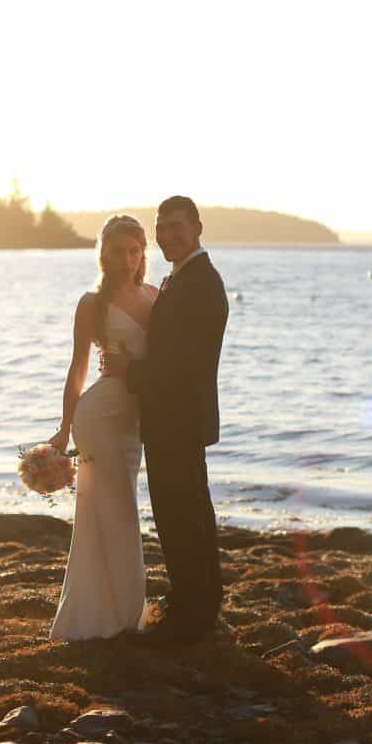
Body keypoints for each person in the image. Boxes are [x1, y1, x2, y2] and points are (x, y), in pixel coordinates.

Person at [104, 196, 228, 647]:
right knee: (180, 512)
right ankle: (195, 597)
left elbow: (184, 364)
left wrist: (128, 372)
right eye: (163, 227)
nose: (169, 235)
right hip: (169, 416)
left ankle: (197, 611)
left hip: (180, 417)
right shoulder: (182, 278)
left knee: (185, 512)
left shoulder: (202, 284)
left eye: (178, 227)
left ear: (197, 227)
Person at [47, 215, 157, 640]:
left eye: (134, 251)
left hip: (134, 421)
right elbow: (78, 369)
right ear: (104, 253)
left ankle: (106, 614)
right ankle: (121, 618)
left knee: (113, 510)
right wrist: (63, 427)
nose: (127, 259)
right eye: (117, 251)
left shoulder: (155, 294)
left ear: (142, 253)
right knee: (117, 514)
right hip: (99, 416)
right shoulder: (92, 303)